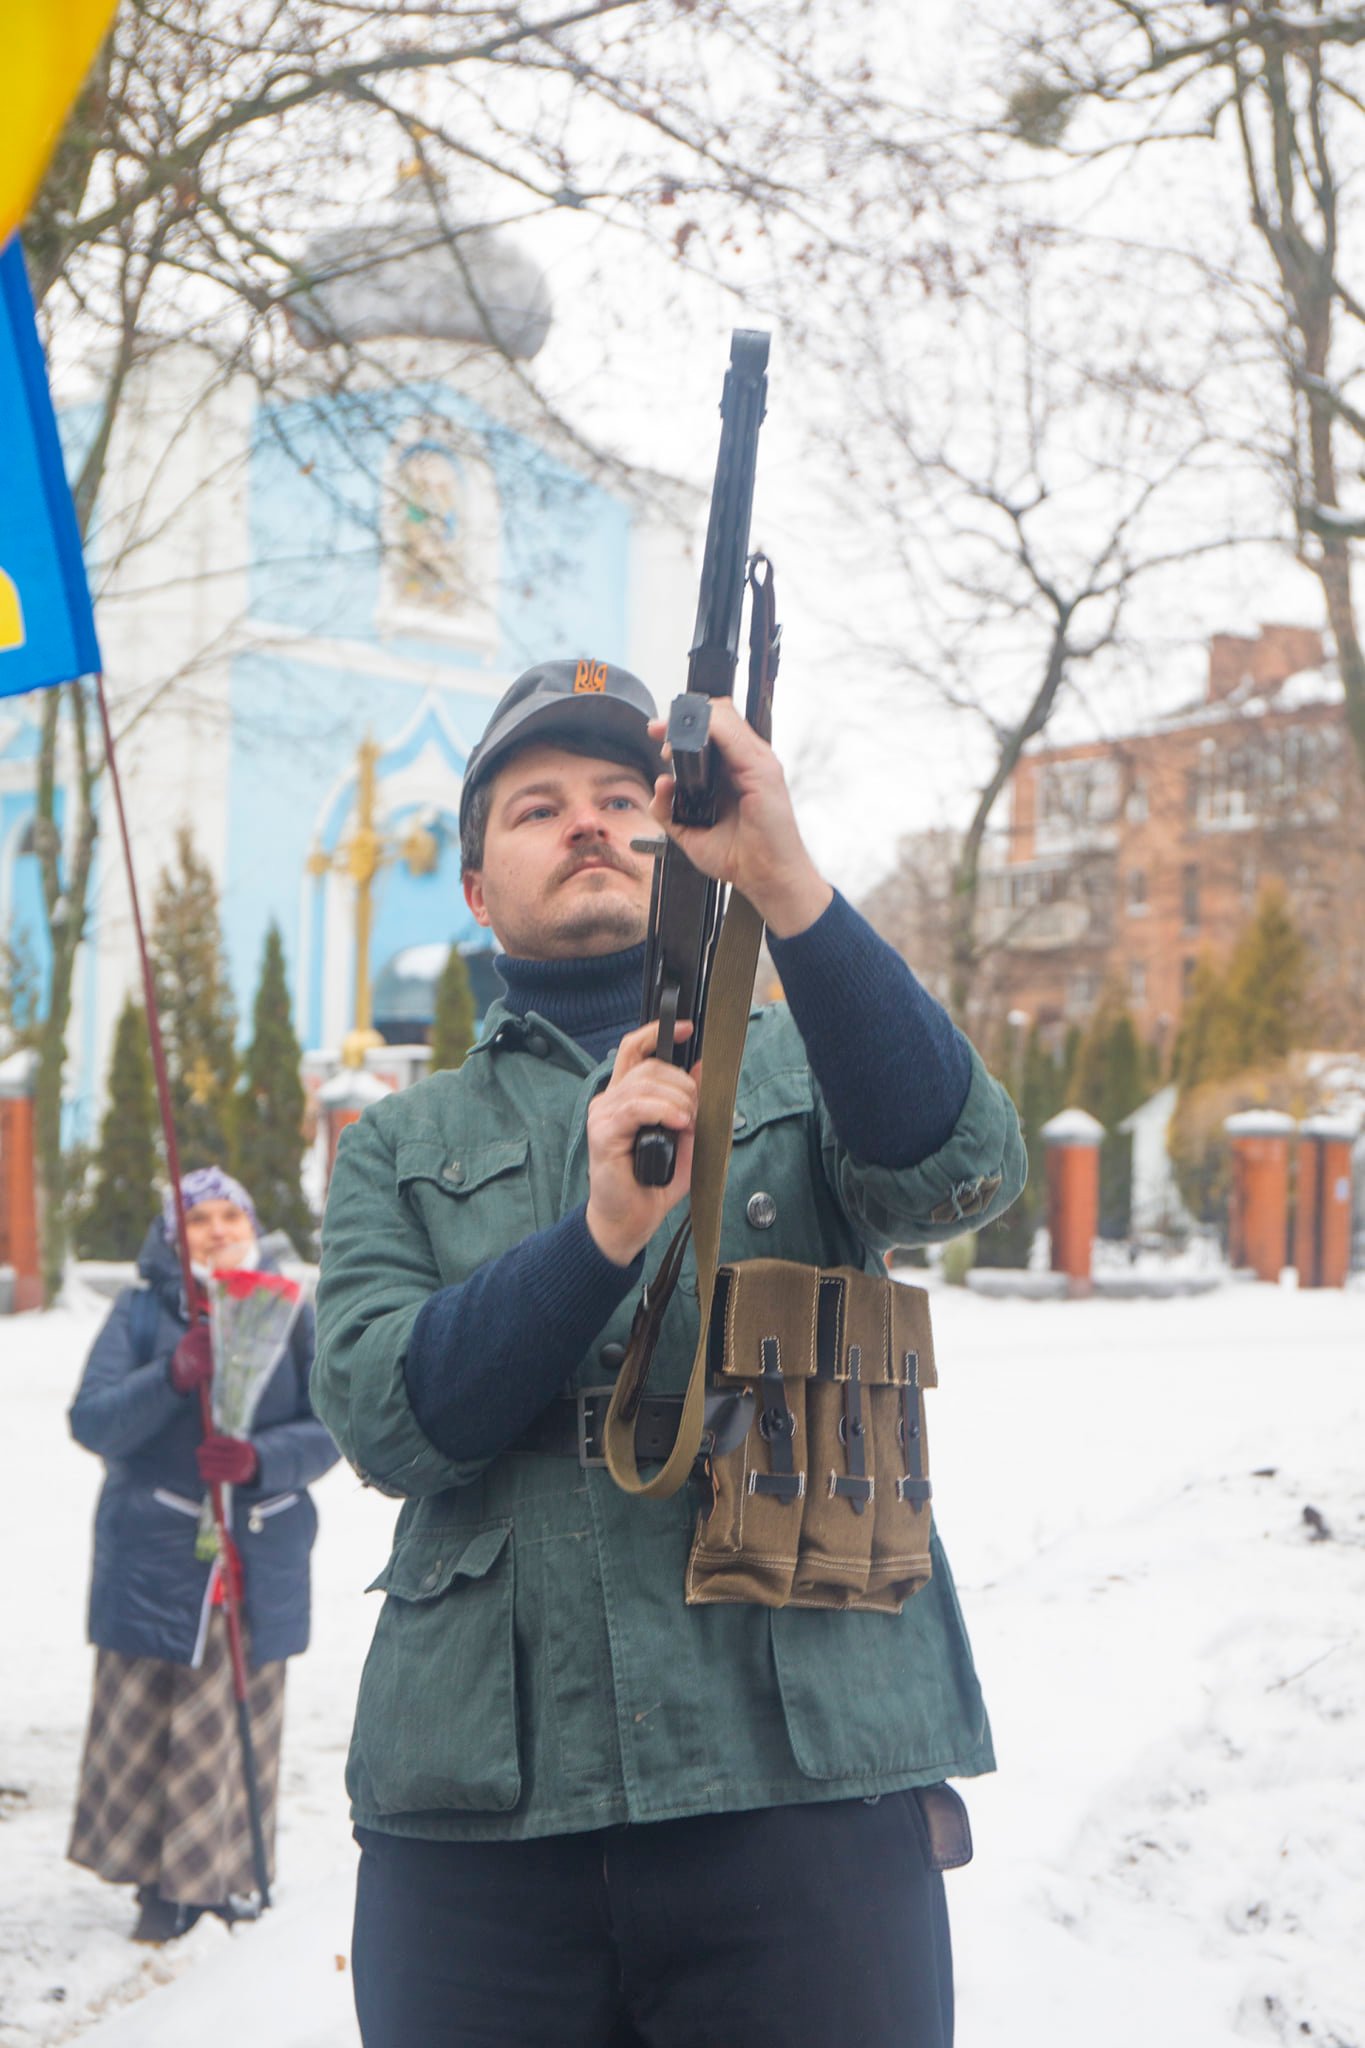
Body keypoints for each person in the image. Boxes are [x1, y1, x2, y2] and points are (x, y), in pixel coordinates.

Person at [314, 659, 1027, 2047]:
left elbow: (960, 1169)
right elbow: (385, 1418)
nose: (584, 824)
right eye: (533, 809)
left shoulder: (807, 1056)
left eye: (620, 798)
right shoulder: (397, 1145)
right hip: (486, 1818)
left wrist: (787, 882)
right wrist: (594, 1235)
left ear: (678, 836)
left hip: (801, 1781)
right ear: (474, 890)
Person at [68, 1167, 338, 1942]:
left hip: (255, 1551)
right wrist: (172, 1373)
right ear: (170, 1239)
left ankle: (228, 1874)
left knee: (234, 1717)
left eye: (230, 1216)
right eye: (198, 1221)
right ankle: (157, 1881)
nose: (218, 1231)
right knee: (151, 1715)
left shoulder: (288, 1311)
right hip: (157, 1550)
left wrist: (258, 1460)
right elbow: (93, 1420)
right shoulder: (141, 1313)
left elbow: (332, 1424)